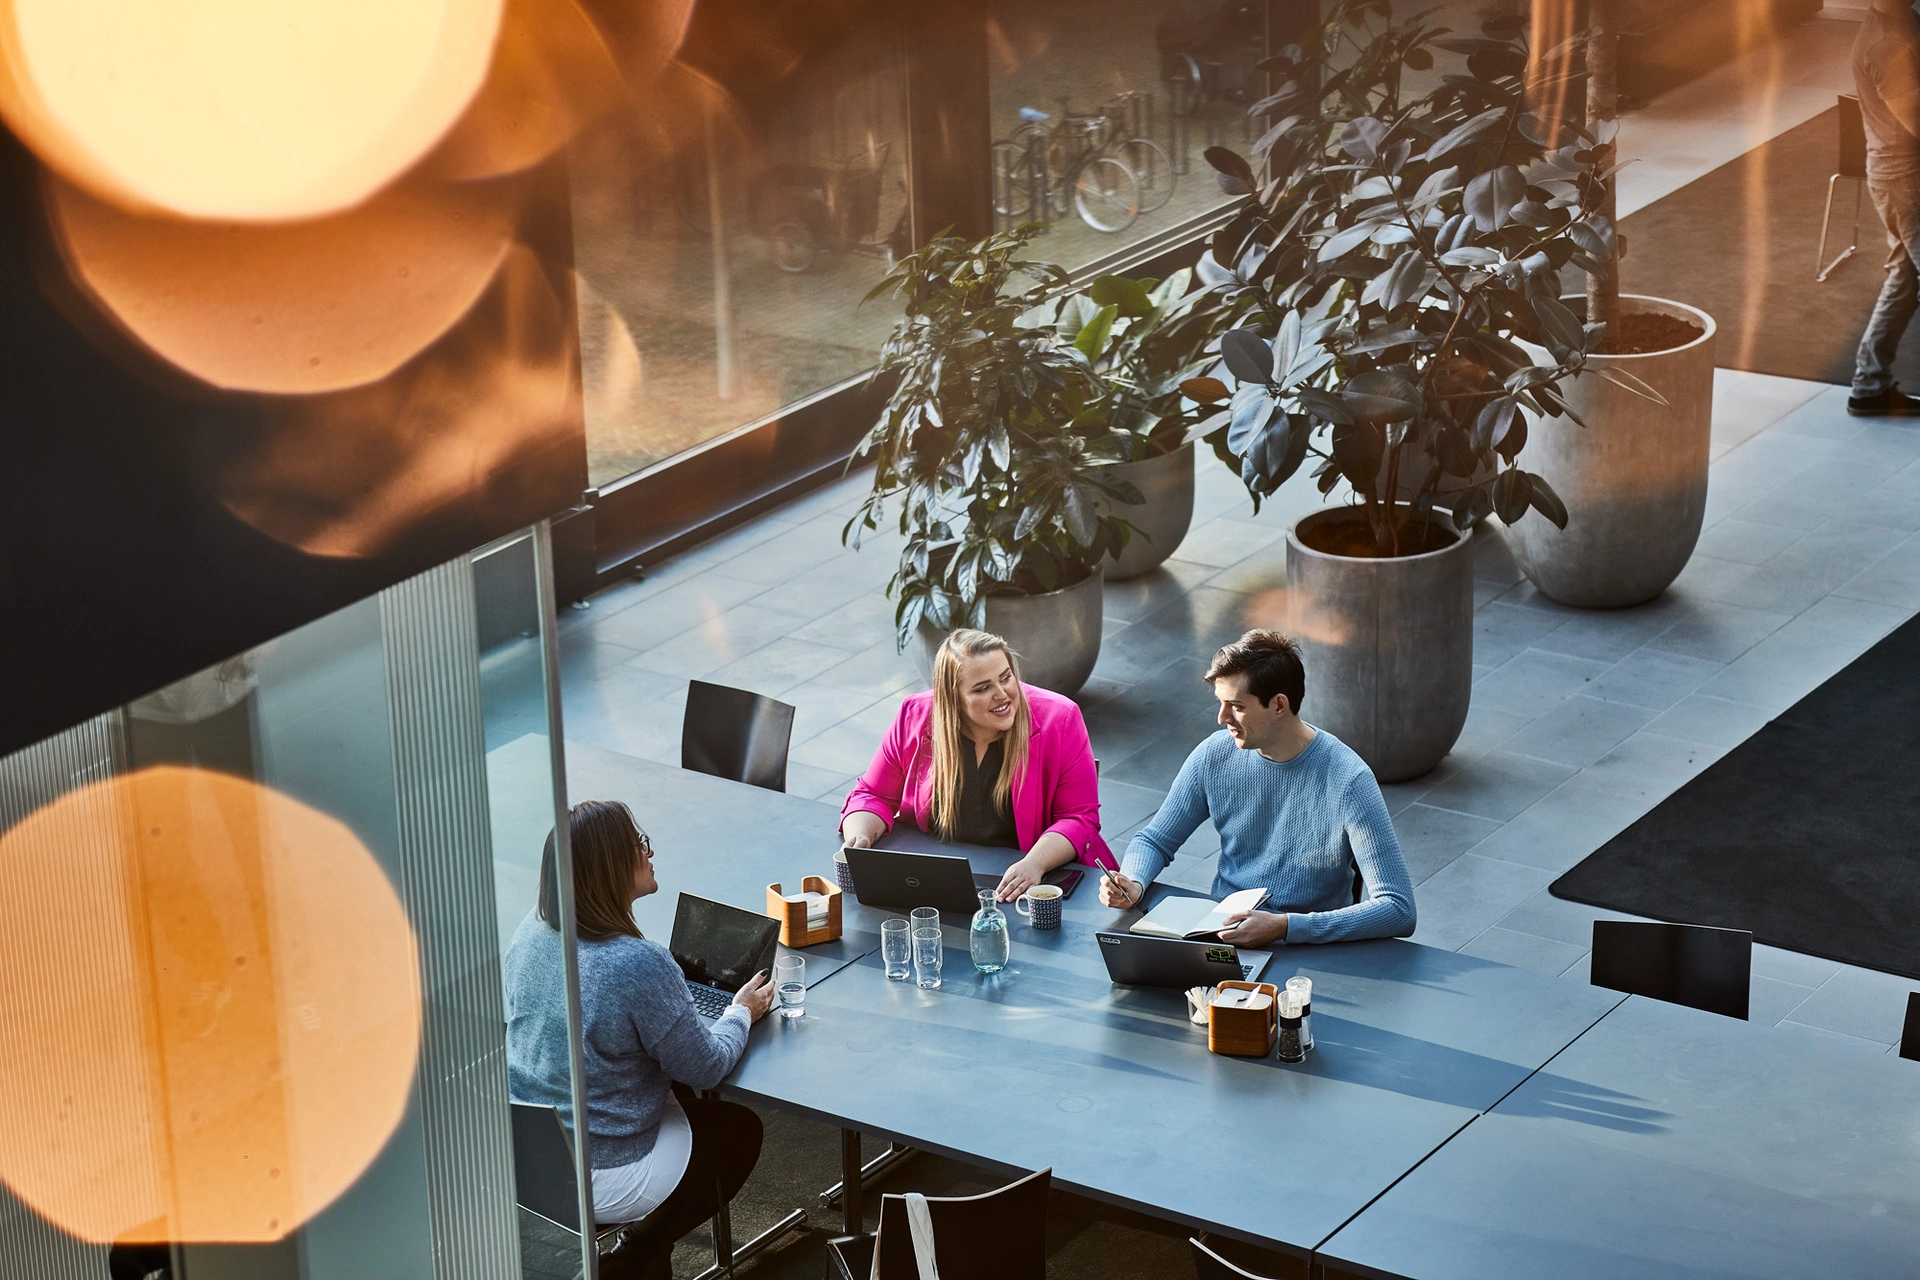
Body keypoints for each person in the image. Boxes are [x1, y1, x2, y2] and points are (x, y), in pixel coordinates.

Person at [503, 800, 775, 1276]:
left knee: (675, 1085)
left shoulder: (532, 929)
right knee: (736, 1133)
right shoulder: (636, 963)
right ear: (611, 867)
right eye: (639, 845)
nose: (649, 853)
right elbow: (708, 1066)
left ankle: (646, 1262)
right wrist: (741, 1013)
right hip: (602, 1168)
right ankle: (633, 1255)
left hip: (528, 1151)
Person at [1097, 630, 1415, 945]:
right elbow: (1154, 840)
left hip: (1309, 948)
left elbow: (1398, 908)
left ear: (1279, 705)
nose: (1222, 718)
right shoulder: (1213, 756)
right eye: (1220, 703)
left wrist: (1285, 927)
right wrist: (1134, 882)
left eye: (1236, 706)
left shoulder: (1349, 780)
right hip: (1223, 935)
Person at [841, 628, 1113, 899]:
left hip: (1032, 885)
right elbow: (873, 795)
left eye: (1006, 677)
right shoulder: (915, 714)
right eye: (983, 688)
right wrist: (860, 838)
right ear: (952, 698)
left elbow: (1078, 818)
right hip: (937, 880)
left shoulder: (1060, 717)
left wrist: (1035, 864)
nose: (1002, 694)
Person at [1849, 0, 1920, 416]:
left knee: (1904, 279)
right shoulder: (1884, 44)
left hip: (1901, 175)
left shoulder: (1903, 17)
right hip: (1905, 180)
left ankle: (1869, 387)